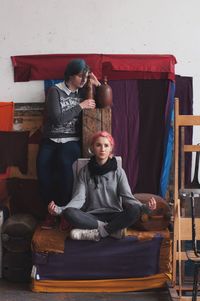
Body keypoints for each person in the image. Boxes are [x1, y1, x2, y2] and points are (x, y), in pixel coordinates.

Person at [48, 131, 156, 241]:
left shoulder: (118, 171)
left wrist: (144, 208)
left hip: (115, 215)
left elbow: (127, 197)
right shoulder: (84, 172)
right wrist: (61, 210)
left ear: (111, 149)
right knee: (69, 213)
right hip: (92, 217)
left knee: (135, 210)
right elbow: (79, 199)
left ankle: (100, 232)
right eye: (98, 145)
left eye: (106, 145)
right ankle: (112, 230)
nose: (102, 149)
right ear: (92, 148)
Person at [37, 59, 101, 230]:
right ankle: (50, 213)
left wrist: (97, 84)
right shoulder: (55, 91)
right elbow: (57, 119)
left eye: (85, 76)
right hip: (50, 140)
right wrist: (80, 106)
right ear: (70, 75)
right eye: (81, 76)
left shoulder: (84, 92)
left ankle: (64, 213)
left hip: (71, 140)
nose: (83, 79)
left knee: (66, 170)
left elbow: (102, 103)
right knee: (43, 172)